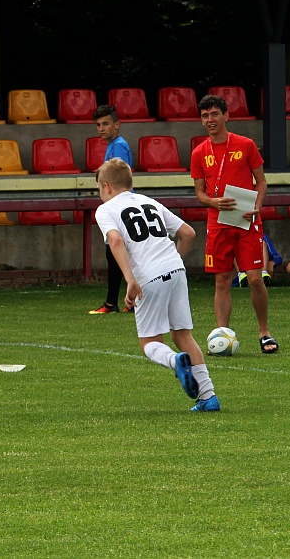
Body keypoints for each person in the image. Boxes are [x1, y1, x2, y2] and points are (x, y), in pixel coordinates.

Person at [95, 159, 219, 411]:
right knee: (183, 334)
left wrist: (130, 280)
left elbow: (116, 241)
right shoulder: (150, 202)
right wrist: (173, 262)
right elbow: (188, 233)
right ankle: (208, 397)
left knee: (149, 342)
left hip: (148, 276)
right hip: (176, 269)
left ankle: (176, 362)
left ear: (106, 186)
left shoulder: (105, 210)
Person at [190, 94, 277, 354]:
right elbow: (200, 193)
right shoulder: (198, 152)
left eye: (215, 114)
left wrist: (258, 206)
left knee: (253, 278)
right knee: (222, 280)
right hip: (218, 223)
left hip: (246, 220)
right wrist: (213, 202)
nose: (210, 120)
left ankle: (264, 332)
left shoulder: (246, 144)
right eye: (205, 116)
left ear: (226, 116)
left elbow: (261, 181)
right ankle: (223, 336)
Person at [89, 104, 134, 314]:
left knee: (115, 254)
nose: (101, 128)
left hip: (119, 208)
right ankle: (124, 302)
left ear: (117, 124)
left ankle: (112, 303)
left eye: (105, 123)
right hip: (119, 206)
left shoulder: (118, 146)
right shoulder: (114, 145)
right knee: (118, 255)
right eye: (98, 125)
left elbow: (119, 178)